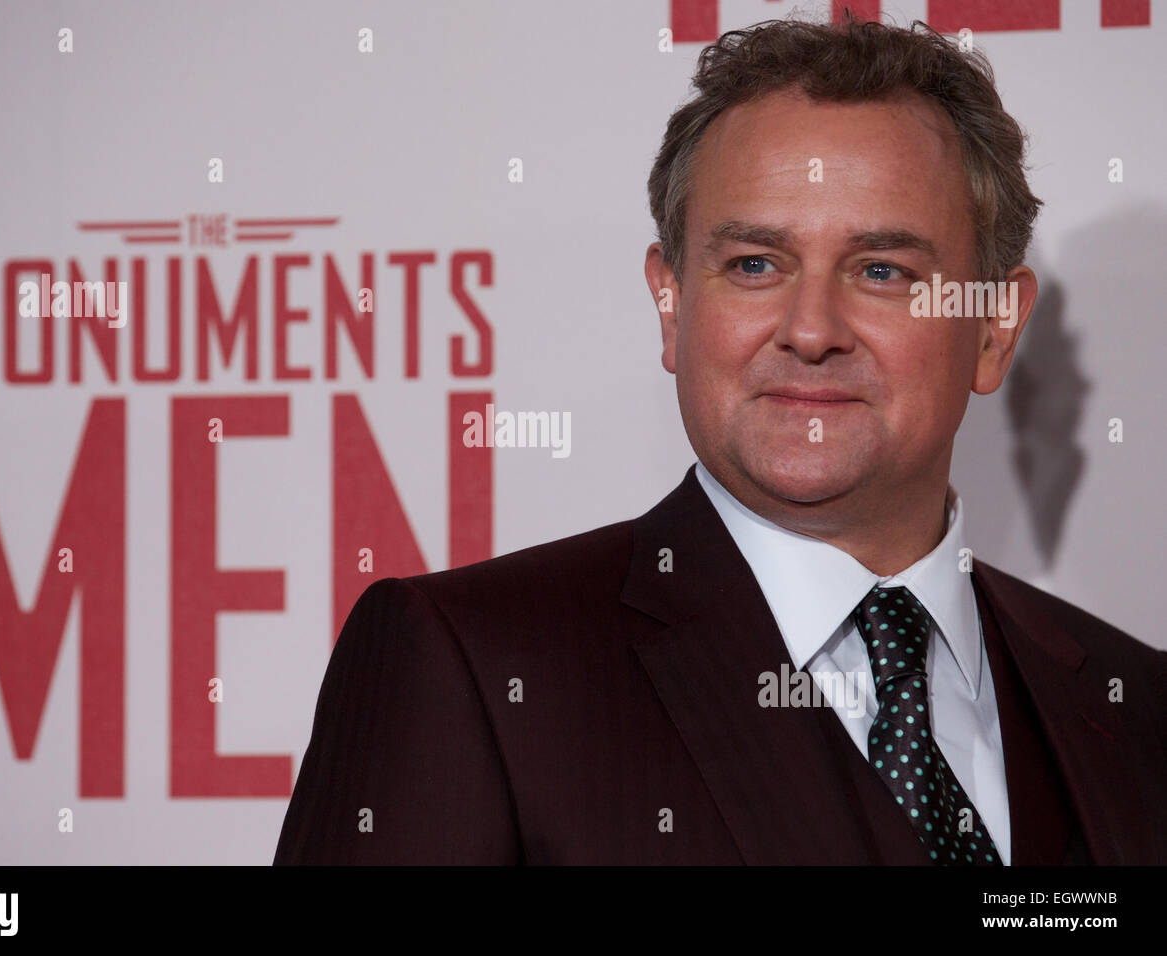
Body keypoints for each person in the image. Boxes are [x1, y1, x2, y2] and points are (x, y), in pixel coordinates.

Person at [274, 15, 1167, 865]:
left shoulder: (1133, 706)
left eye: (883, 270)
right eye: (754, 265)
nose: (810, 329)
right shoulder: (474, 669)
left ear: (993, 329)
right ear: (671, 304)